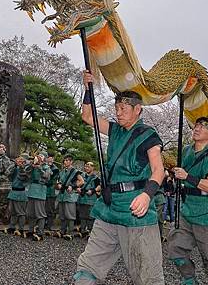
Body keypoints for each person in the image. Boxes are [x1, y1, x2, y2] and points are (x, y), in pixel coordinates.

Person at [74, 71, 165, 285]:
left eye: (123, 108)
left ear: (137, 109)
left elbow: (158, 170)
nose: (118, 112)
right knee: (87, 269)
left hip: (136, 208)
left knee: (148, 277)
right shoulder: (115, 131)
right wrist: (88, 90)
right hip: (109, 206)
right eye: (116, 108)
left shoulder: (148, 135)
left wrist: (146, 195)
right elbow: (88, 117)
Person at [168, 117, 208, 285]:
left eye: (203, 127)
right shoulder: (186, 151)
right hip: (187, 209)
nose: (197, 128)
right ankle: (189, 279)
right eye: (196, 125)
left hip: (207, 213)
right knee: (175, 248)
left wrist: (188, 176)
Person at [55, 154, 84, 240]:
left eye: (68, 160)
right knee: (62, 214)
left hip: (70, 196)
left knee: (70, 215)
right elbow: (58, 181)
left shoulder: (75, 171)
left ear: (71, 162)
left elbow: (82, 181)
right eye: (65, 160)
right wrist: (58, 185)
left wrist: (74, 186)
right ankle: (62, 231)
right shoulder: (62, 171)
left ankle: (70, 232)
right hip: (62, 195)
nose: (66, 162)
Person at [25, 150, 52, 241]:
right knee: (30, 213)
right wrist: (32, 165)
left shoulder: (46, 167)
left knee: (40, 213)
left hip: (40, 190)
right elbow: (26, 173)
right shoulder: (33, 165)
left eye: (41, 156)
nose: (39, 157)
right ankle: (30, 230)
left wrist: (39, 167)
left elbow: (46, 176)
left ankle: (40, 232)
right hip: (32, 190)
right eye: (39, 155)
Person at [4, 153, 30, 236]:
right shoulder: (16, 167)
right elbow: (7, 174)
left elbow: (23, 177)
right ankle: (12, 227)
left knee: (21, 212)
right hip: (13, 191)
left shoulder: (28, 168)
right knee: (13, 211)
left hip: (21, 192)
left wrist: (22, 167)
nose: (20, 161)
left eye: (22, 159)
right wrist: (14, 165)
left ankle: (21, 229)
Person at [76, 161, 101, 238]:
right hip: (82, 198)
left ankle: (91, 231)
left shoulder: (96, 178)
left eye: (89, 166)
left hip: (91, 199)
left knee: (90, 216)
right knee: (82, 215)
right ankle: (82, 230)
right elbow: (77, 183)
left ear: (93, 168)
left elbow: (100, 186)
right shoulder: (82, 176)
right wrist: (78, 189)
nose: (87, 168)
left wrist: (93, 191)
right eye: (86, 166)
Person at [44, 155, 60, 235]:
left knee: (50, 209)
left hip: (50, 190)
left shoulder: (55, 169)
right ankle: (44, 224)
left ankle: (49, 225)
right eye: (48, 159)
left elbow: (51, 180)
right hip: (44, 190)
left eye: (51, 159)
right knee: (43, 208)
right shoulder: (45, 166)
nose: (49, 160)